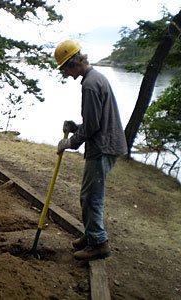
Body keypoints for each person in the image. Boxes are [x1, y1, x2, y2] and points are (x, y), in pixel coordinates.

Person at [54, 40, 127, 261]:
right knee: (88, 195)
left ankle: (98, 243)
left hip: (103, 147)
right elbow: (94, 121)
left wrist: (71, 142)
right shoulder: (95, 79)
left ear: (73, 63)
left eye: (64, 69)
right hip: (104, 143)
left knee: (91, 197)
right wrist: (76, 127)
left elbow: (94, 126)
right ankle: (91, 234)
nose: (65, 74)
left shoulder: (90, 84)